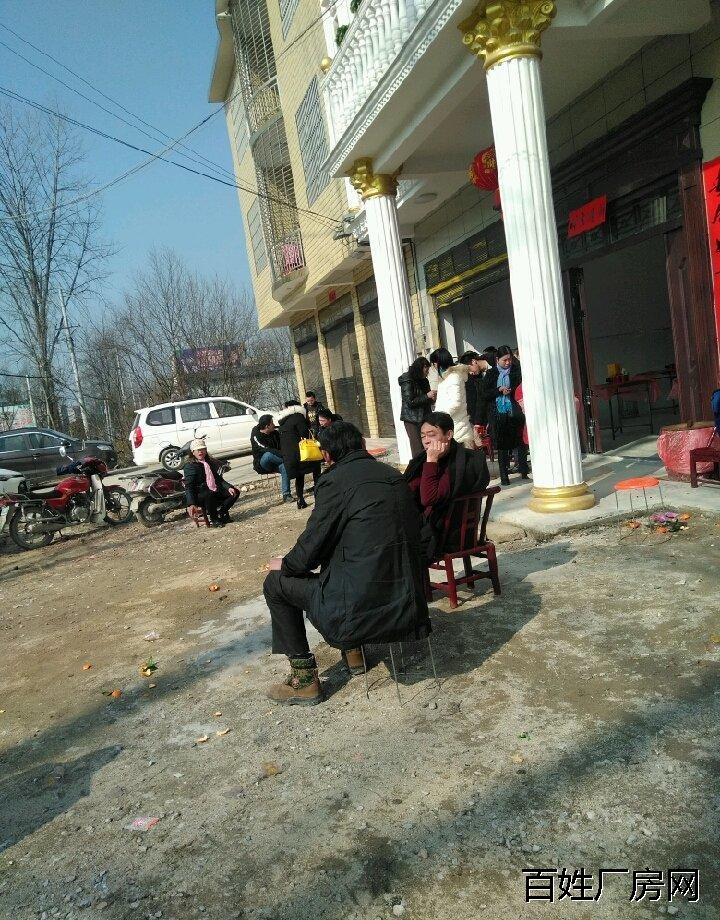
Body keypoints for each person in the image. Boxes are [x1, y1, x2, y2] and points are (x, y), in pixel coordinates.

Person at [262, 422, 430, 705]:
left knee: (275, 583)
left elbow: (309, 551)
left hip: (359, 611)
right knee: (351, 556)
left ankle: (305, 682)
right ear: (362, 444)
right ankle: (354, 654)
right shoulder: (393, 476)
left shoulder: (334, 482)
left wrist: (285, 564)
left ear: (326, 455)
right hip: (407, 604)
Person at [403, 412, 490, 561]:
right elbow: (408, 489)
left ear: (449, 435)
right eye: (423, 436)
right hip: (430, 524)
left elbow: (428, 499)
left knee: (398, 549)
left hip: (447, 534)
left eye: (431, 435)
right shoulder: (421, 460)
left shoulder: (462, 464)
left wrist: (432, 461)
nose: (426, 441)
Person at [482, 345, 529, 485]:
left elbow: (521, 388)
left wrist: (511, 390)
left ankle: (524, 471)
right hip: (498, 413)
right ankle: (504, 476)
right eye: (505, 360)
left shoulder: (516, 371)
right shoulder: (491, 374)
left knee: (520, 442)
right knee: (502, 445)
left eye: (509, 359)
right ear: (497, 359)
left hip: (515, 411)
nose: (508, 363)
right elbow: (485, 394)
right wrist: (498, 390)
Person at [276, 400, 321, 509]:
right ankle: (319, 495)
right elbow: (304, 433)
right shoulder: (298, 417)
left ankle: (300, 499)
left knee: (299, 476)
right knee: (317, 466)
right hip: (301, 452)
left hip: (289, 456)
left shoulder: (283, 421)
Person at [184, 438, 239, 527]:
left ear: (205, 450)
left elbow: (218, 478)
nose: (200, 452)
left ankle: (222, 512)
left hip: (213, 489)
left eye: (202, 449)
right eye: (197, 450)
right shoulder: (190, 466)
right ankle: (215, 519)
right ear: (193, 452)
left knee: (234, 492)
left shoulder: (209, 462)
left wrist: (228, 487)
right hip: (200, 494)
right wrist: (191, 503)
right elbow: (189, 486)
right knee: (209, 494)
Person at [428, 347, 474, 448]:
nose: (434, 367)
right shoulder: (445, 378)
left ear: (439, 363)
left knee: (460, 456)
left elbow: (455, 404)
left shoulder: (454, 377)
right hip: (449, 426)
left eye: (434, 364)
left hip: (457, 428)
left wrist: (439, 417)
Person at [398, 356, 436, 458]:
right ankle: (418, 466)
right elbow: (410, 401)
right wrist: (427, 396)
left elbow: (427, 398)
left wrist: (432, 398)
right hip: (412, 419)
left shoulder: (424, 380)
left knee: (429, 443)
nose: (427, 373)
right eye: (426, 370)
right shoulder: (407, 379)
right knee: (417, 447)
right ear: (422, 368)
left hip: (425, 417)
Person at [251, 414, 292, 502]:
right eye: (272, 423)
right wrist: (285, 456)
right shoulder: (256, 435)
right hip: (262, 464)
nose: (274, 425)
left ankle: (286, 495)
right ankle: (290, 461)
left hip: (277, 461)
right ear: (267, 426)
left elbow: (282, 446)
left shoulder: (275, 433)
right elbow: (265, 449)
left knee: (284, 467)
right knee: (268, 454)